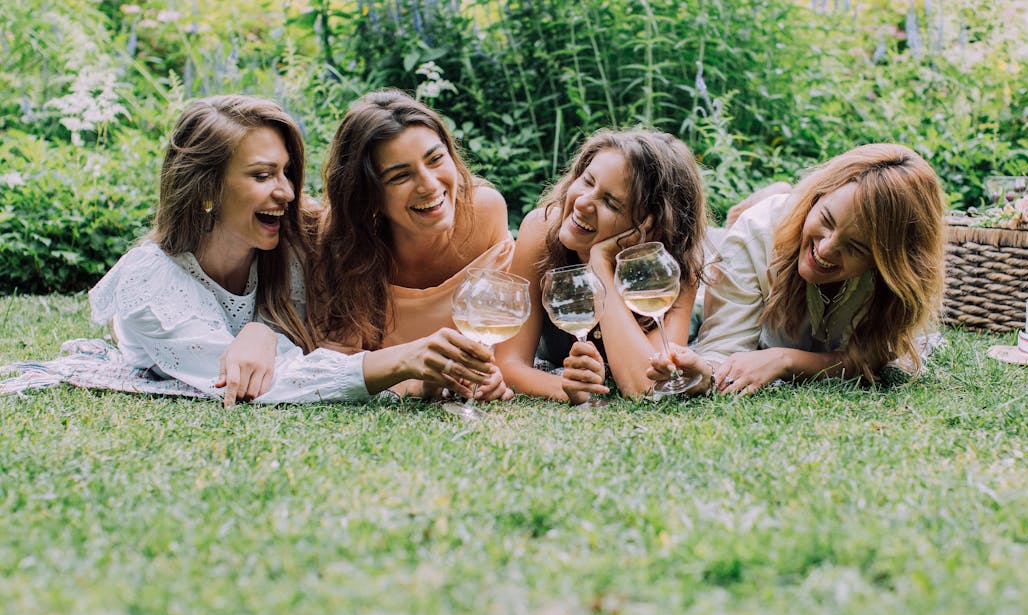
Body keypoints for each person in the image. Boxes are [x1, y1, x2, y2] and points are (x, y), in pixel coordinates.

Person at [89, 95, 495, 407]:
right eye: (262, 175)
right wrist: (404, 360)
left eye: (287, 172)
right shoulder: (149, 280)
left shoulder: (294, 241)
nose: (286, 192)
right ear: (206, 189)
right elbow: (264, 382)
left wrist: (262, 331)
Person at [648, 143, 945, 394]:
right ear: (817, 197)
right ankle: (760, 202)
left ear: (887, 263)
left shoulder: (892, 284)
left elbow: (872, 357)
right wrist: (702, 371)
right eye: (827, 219)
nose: (826, 249)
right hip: (719, 274)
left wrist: (784, 360)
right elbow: (721, 353)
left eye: (855, 247)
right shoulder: (755, 235)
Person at [308, 90, 516, 401]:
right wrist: (419, 385)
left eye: (436, 159)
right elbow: (341, 367)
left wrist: (490, 377)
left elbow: (500, 340)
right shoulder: (345, 245)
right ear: (369, 195)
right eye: (400, 176)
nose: (430, 185)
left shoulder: (485, 212)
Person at [496, 129, 708, 403]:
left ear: (650, 227)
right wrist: (565, 389)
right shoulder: (541, 230)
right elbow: (508, 363)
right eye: (587, 181)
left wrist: (600, 262)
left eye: (610, 202)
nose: (583, 202)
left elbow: (644, 385)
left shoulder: (676, 269)